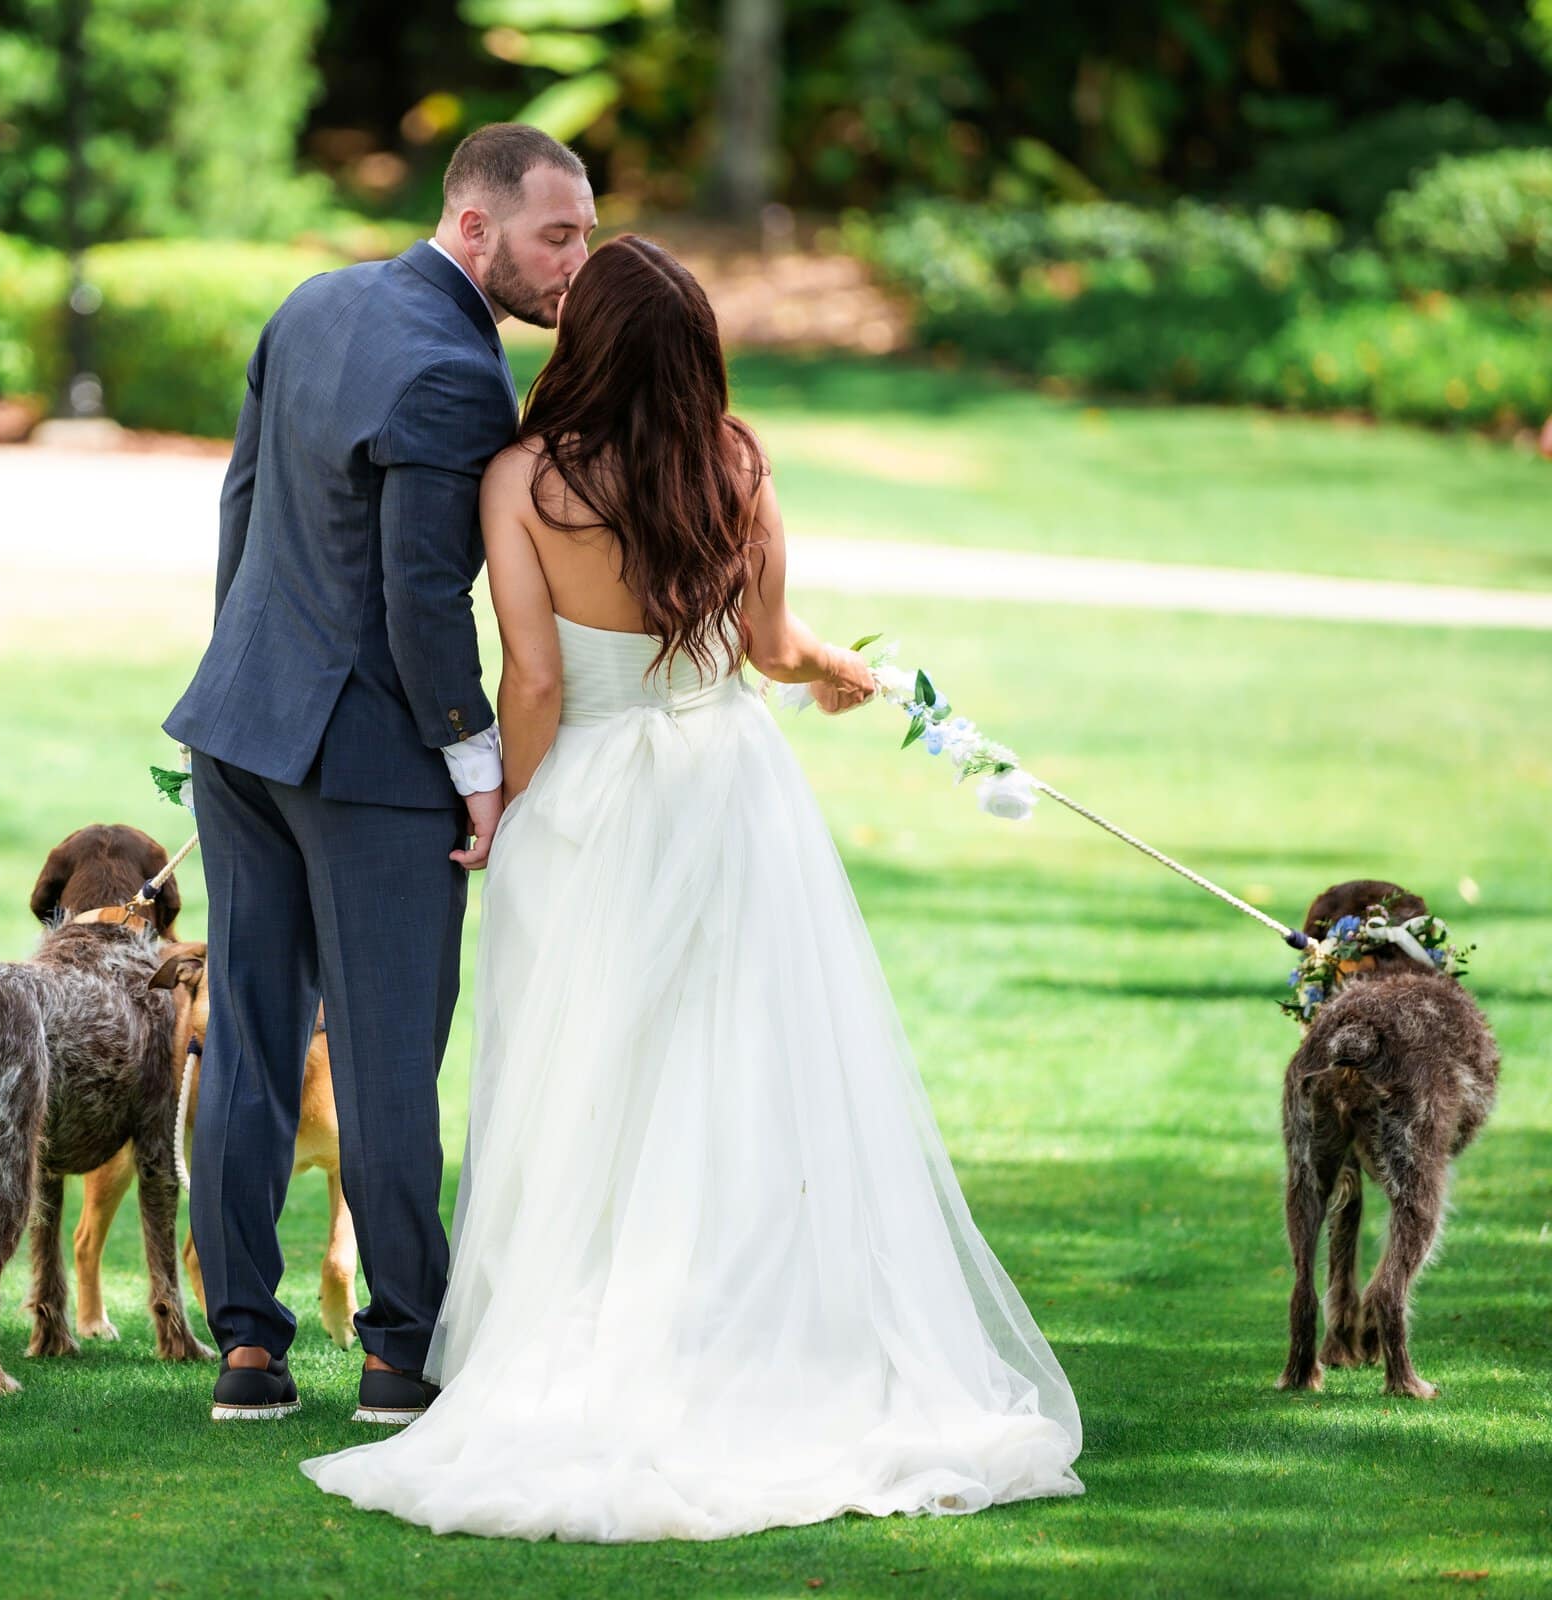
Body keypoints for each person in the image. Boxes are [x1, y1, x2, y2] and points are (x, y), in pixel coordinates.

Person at [298, 233, 1087, 1541]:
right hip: (732, 787)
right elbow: (770, 647)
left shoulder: (526, 478)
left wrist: (502, 808)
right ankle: (751, 1340)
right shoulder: (738, 464)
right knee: (746, 1070)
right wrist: (839, 670)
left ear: (584, 344)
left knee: (580, 1073)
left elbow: (537, 683)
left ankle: (579, 1339)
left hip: (594, 797)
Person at [163, 123, 593, 1424]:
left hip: (240, 730)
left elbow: (240, 512)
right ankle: (400, 1354)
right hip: (367, 761)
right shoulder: (459, 372)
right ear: (477, 228)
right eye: (555, 236)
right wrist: (476, 763)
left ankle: (247, 1351)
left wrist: (244, 679)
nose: (577, 263)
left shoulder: (315, 300)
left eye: (585, 234)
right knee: (392, 1058)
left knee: (247, 1040)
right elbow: (421, 598)